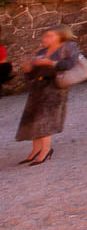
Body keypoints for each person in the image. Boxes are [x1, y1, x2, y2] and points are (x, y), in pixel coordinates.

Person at [15, 26, 82, 165]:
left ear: (61, 36)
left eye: (49, 36)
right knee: (33, 118)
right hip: (38, 88)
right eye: (45, 36)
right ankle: (36, 150)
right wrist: (28, 69)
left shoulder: (69, 47)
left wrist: (50, 62)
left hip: (54, 87)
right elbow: (32, 75)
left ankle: (46, 150)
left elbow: (69, 64)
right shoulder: (42, 52)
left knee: (45, 119)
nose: (45, 39)